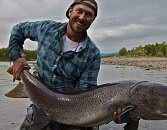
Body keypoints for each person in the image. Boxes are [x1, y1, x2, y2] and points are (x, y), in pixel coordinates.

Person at [8, 0, 140, 129]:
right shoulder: (46, 29)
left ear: (92, 20)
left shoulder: (92, 54)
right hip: (38, 109)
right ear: (70, 11)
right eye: (79, 11)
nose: (82, 17)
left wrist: (111, 114)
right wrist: (16, 58)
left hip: (70, 121)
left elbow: (84, 94)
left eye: (89, 14)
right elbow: (17, 30)